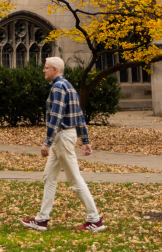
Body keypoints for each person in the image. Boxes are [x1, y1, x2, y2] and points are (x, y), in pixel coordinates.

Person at [21, 56, 106, 232]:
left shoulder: (59, 87)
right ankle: (42, 219)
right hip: (65, 137)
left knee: (74, 179)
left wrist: (47, 142)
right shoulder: (68, 86)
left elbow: (56, 117)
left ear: (55, 69)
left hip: (61, 138)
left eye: (46, 68)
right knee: (49, 177)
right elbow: (80, 116)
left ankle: (94, 219)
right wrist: (85, 140)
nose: (43, 70)